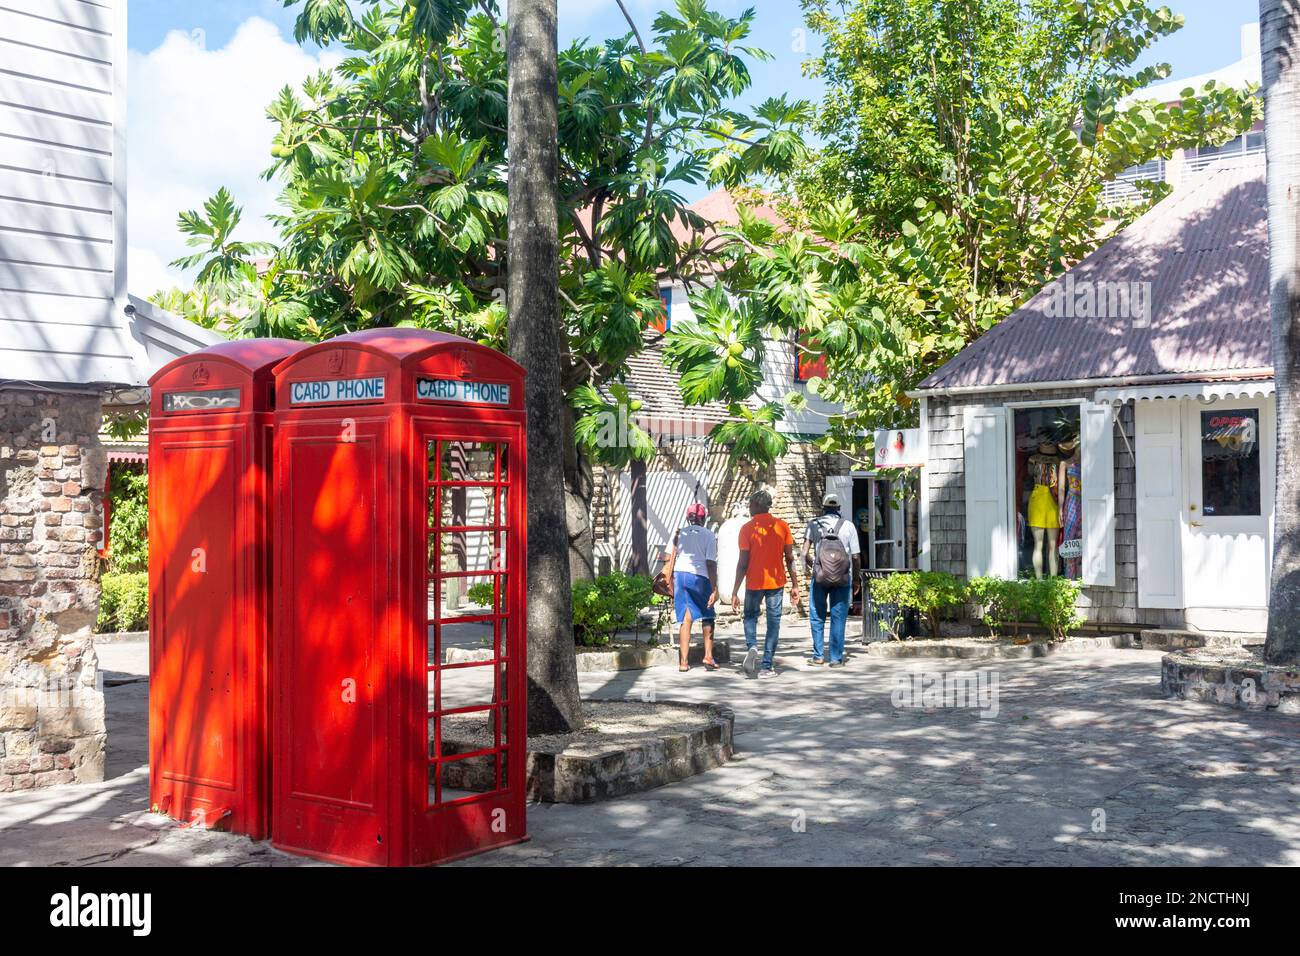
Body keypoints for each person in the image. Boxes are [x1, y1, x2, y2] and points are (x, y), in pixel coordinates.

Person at [730, 489, 799, 678]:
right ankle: (767, 667)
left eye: (751, 504)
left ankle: (752, 646)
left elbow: (742, 563)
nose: (750, 508)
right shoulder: (782, 526)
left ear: (758, 505)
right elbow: (790, 558)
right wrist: (795, 585)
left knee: (750, 617)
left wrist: (735, 590)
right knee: (773, 623)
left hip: (753, 583)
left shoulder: (747, 529)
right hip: (775, 583)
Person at [802, 492, 861, 668]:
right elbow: (856, 557)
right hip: (842, 578)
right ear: (839, 509)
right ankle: (836, 659)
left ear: (824, 508)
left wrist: (816, 566)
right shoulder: (849, 526)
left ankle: (818, 656)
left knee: (817, 616)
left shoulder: (813, 524)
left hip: (819, 578)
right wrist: (856, 580)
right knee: (838, 617)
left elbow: (804, 553)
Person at [665, 503, 719, 672]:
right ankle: (708, 656)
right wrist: (714, 589)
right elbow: (710, 564)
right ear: (704, 518)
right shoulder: (709, 535)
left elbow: (668, 557)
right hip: (700, 576)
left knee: (686, 617)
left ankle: (683, 662)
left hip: (680, 576)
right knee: (708, 615)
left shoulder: (678, 533)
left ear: (688, 518)